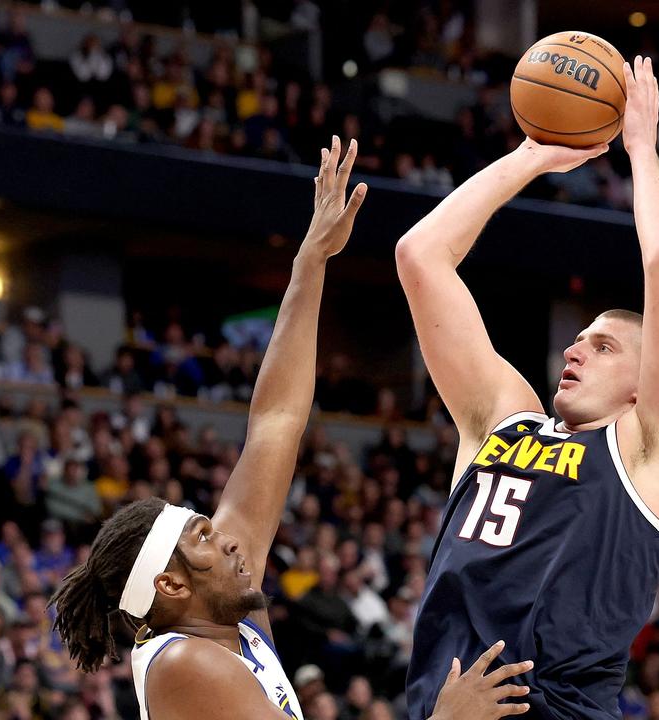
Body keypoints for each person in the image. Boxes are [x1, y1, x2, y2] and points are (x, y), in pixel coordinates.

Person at [51, 137, 531, 720]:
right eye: (203, 538)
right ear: (172, 587)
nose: (227, 537)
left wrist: (311, 260)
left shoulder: (222, 609)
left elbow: (276, 423)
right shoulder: (183, 662)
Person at [396, 56, 659, 719]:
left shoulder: (654, 456)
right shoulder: (503, 420)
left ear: (641, 386)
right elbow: (419, 257)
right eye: (578, 338)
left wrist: (641, 150)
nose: (575, 348)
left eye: (603, 346)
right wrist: (532, 155)